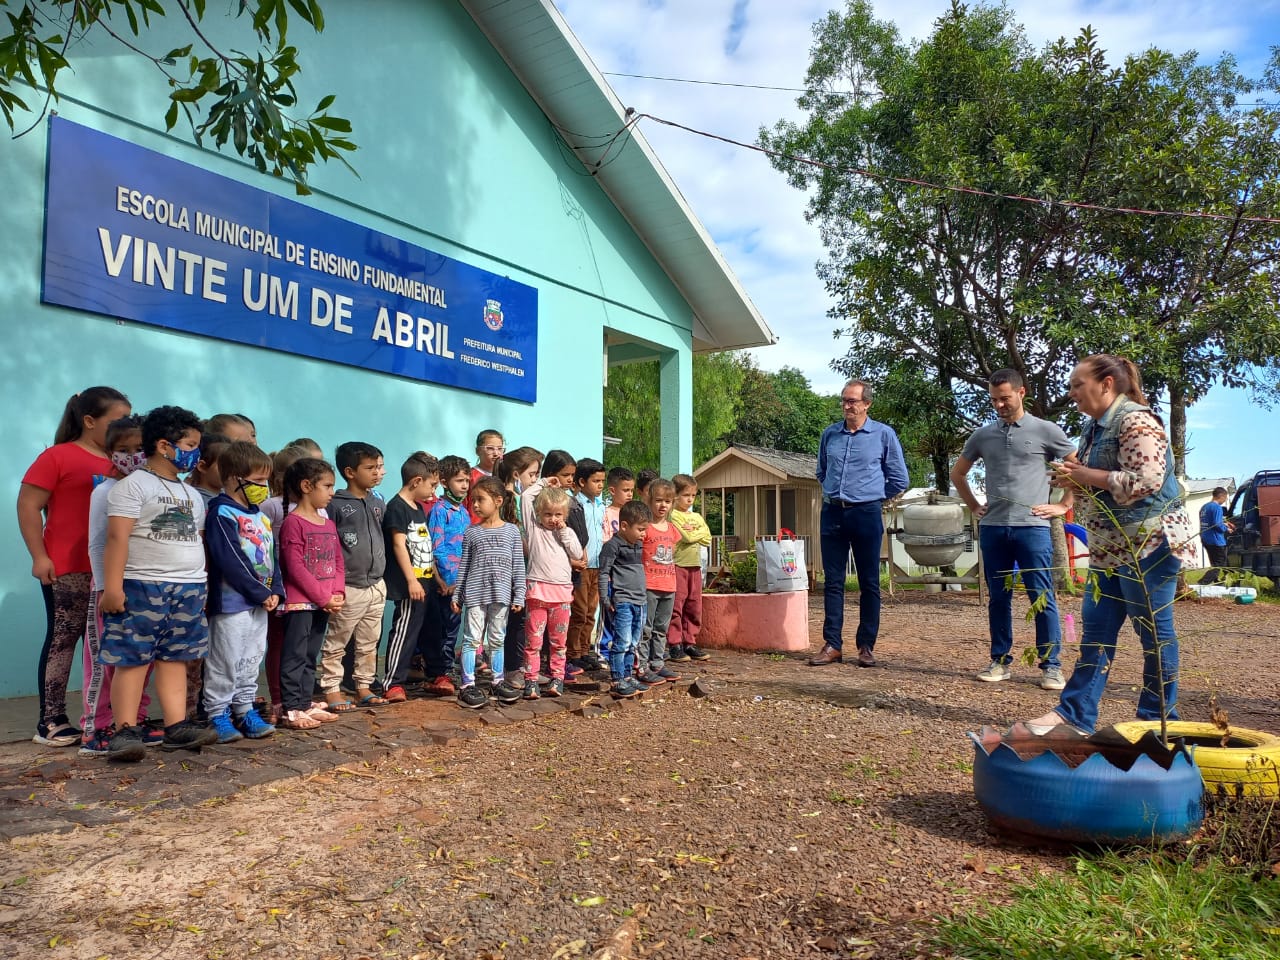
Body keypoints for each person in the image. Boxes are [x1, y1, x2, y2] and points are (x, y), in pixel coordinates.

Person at [1026, 355, 1198, 735]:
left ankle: (1157, 721)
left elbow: (1148, 480)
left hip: (1149, 543)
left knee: (1152, 631)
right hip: (1112, 545)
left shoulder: (1136, 419)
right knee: (1097, 631)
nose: (1071, 393)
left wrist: (1089, 474)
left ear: (1106, 384)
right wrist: (1076, 481)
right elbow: (1101, 479)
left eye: (1077, 385)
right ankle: (1075, 716)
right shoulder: (1094, 428)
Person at [99, 405, 217, 760]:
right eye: (190, 444)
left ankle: (176, 726)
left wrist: (202, 585)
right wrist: (113, 587)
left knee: (175, 658)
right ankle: (123, 730)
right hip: (142, 586)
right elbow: (117, 539)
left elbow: (195, 540)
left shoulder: (190, 494)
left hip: (189, 588)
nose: (195, 452)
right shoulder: (132, 487)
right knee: (132, 659)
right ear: (165, 445)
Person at [19, 386, 132, 747]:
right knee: (64, 639)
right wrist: (40, 556)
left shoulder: (125, 464)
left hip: (109, 571)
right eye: (117, 421)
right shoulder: (58, 457)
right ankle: (50, 721)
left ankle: (108, 717)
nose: (124, 427)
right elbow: (28, 506)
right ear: (88, 421)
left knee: (106, 645)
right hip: (67, 567)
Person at [950, 369, 1076, 690]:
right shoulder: (983, 436)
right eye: (994, 400)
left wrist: (1062, 505)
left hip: (1032, 528)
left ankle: (1051, 666)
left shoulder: (1045, 430)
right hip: (993, 528)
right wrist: (973, 506)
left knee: (1042, 597)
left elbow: (1078, 466)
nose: (999, 405)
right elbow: (958, 474)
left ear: (1021, 393)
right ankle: (1000, 661)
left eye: (1005, 398)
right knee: (998, 598)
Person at [811, 379, 909, 668]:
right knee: (833, 581)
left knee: (869, 582)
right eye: (843, 400)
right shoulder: (830, 434)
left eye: (852, 401)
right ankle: (832, 645)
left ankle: (866, 646)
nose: (846, 406)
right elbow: (821, 471)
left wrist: (873, 498)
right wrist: (835, 493)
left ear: (867, 404)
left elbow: (900, 478)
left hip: (866, 513)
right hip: (833, 513)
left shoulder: (883, 435)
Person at [80, 415, 158, 755]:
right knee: (104, 661)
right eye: (122, 450)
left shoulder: (153, 490)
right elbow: (99, 542)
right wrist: (106, 587)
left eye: (139, 449)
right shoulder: (105, 491)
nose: (131, 456)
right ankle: (95, 730)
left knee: (139, 660)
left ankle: (132, 722)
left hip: (145, 589)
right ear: (110, 453)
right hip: (111, 590)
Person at [202, 441, 282, 742]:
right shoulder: (222, 512)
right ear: (236, 478)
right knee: (226, 658)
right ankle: (217, 713)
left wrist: (275, 590)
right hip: (232, 603)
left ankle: (244, 707)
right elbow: (230, 559)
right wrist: (258, 592)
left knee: (251, 658)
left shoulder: (260, 516)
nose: (264, 487)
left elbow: (272, 557)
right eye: (259, 481)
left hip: (260, 603)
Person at [319, 442, 389, 710]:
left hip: (376, 585)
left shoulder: (377, 502)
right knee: (337, 642)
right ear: (349, 472)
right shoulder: (335, 504)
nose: (376, 473)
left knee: (369, 642)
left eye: (378, 467)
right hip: (349, 587)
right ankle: (332, 688)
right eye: (369, 468)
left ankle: (363, 685)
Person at [277, 457, 345, 730]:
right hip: (301, 604)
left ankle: (305, 702)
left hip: (323, 603)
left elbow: (338, 561)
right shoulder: (293, 523)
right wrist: (321, 596)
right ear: (307, 486)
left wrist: (337, 591)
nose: (331, 493)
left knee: (310, 655)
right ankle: (291, 707)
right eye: (327, 486)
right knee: (295, 655)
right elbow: (295, 567)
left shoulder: (327, 523)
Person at [451, 477, 526, 708]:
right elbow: (464, 566)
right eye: (473, 500)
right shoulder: (472, 532)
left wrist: (519, 594)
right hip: (475, 596)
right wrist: (458, 595)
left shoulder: (512, 532)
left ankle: (497, 681)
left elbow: (518, 566)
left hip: (501, 595)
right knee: (472, 639)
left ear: (498, 501)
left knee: (497, 639)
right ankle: (467, 684)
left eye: (480, 500)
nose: (474, 505)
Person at [381, 452, 441, 702]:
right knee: (404, 631)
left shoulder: (417, 508)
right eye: (432, 485)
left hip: (426, 582)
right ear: (416, 481)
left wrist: (435, 579)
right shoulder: (397, 508)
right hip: (411, 586)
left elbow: (424, 547)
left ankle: (436, 674)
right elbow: (398, 545)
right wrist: (411, 581)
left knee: (429, 629)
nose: (433, 492)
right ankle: (393, 681)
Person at [521, 486, 582, 698]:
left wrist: (564, 530)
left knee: (558, 642)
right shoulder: (534, 530)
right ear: (539, 514)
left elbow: (576, 552)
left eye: (558, 514)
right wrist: (545, 481)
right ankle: (531, 680)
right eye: (547, 514)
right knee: (534, 642)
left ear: (564, 515)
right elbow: (526, 496)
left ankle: (557, 678)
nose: (552, 519)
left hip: (562, 596)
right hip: (537, 592)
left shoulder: (567, 533)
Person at [598, 499, 652, 698]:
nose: (643, 534)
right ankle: (617, 678)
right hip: (622, 601)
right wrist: (605, 598)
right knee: (622, 641)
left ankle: (628, 677)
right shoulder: (612, 546)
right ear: (624, 526)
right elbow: (604, 573)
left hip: (640, 601)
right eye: (640, 529)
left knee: (634, 642)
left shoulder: (637, 545)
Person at [427, 455, 471, 689]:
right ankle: (440, 672)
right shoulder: (439, 510)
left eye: (466, 480)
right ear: (444, 482)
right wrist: (450, 579)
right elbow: (437, 547)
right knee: (444, 628)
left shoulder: (463, 512)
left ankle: (446, 669)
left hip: (461, 581)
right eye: (459, 480)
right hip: (446, 582)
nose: (464, 485)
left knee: (455, 627)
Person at [638, 477, 681, 685]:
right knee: (645, 628)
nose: (662, 505)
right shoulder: (645, 527)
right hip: (648, 586)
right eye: (658, 500)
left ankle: (657, 662)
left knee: (661, 628)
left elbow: (674, 553)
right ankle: (642, 665)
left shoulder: (672, 529)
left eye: (667, 501)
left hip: (669, 586)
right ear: (649, 500)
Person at [567, 458, 607, 672]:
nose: (600, 485)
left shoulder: (601, 506)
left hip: (598, 565)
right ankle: (573, 653)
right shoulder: (574, 505)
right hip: (581, 566)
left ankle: (584, 650)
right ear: (581, 482)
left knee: (592, 610)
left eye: (602, 481)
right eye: (596, 481)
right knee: (579, 610)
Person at [667, 473, 712, 663]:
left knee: (694, 605)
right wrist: (696, 534)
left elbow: (708, 538)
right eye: (686, 495)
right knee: (677, 604)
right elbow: (687, 537)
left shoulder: (696, 516)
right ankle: (675, 643)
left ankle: (690, 641)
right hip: (678, 564)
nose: (690, 499)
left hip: (695, 566)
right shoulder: (673, 515)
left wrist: (696, 533)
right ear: (675, 495)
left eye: (693, 495)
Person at [466, 429, 505, 523]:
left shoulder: (505, 475)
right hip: (475, 528)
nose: (496, 453)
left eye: (500, 449)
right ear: (478, 451)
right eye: (490, 448)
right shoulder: (470, 476)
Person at [1198, 487, 1234, 584]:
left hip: (1205, 538)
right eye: (1225, 498)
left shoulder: (1204, 507)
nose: (1225, 500)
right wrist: (1227, 529)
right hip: (1216, 540)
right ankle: (1202, 583)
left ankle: (1220, 582)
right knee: (1220, 564)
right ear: (1221, 496)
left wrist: (1224, 523)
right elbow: (1217, 525)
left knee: (1216, 563)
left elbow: (1210, 522)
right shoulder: (1217, 507)